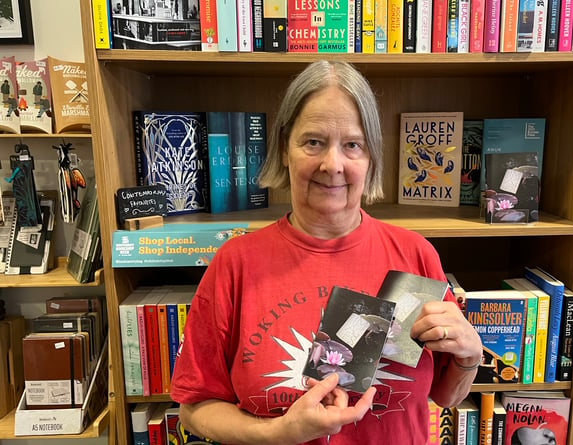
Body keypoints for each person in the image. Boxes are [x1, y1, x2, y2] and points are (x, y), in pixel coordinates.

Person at [170, 60, 483, 445]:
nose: (332, 164)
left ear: (370, 159)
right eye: (313, 142)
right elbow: (195, 407)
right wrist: (276, 432)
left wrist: (470, 355)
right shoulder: (235, 264)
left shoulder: (415, 254)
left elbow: (445, 395)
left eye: (352, 145)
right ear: (285, 149)